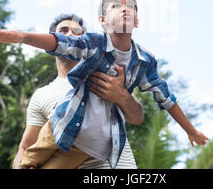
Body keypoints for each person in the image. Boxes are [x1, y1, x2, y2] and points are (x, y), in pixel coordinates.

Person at [0, 0, 209, 169]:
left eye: (132, 7)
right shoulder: (94, 46)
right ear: (103, 20)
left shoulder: (143, 62)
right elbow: (60, 43)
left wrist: (191, 130)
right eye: (116, 6)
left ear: (137, 21)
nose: (125, 10)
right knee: (30, 161)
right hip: (63, 126)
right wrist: (21, 36)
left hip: (92, 148)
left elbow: (164, 98)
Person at [12, 14, 143, 169]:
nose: (70, 35)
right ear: (52, 41)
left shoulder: (107, 74)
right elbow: (26, 147)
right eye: (64, 30)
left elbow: (137, 118)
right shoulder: (42, 95)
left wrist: (122, 97)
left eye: (77, 32)